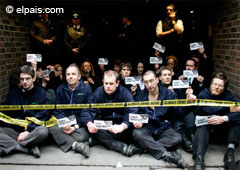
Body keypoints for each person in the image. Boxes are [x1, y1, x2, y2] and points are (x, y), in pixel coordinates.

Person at [133, 70, 188, 168]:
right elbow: (136, 112)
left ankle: (146, 148)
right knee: (136, 133)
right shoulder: (140, 95)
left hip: (164, 127)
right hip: (147, 127)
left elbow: (179, 112)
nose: (149, 84)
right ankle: (165, 154)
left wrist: (188, 102)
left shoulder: (169, 94)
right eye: (146, 82)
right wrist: (139, 121)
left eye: (151, 81)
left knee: (177, 138)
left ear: (157, 80)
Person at [82, 70, 142, 156]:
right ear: (103, 82)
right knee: (93, 126)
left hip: (121, 125)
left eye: (111, 83)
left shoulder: (124, 92)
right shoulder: (99, 92)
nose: (108, 86)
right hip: (105, 125)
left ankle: (100, 141)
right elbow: (88, 109)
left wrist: (123, 125)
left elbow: (132, 109)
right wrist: (89, 124)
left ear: (117, 83)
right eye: (106, 83)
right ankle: (118, 146)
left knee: (136, 131)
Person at [193, 72, 240, 170]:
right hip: (206, 133)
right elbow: (208, 109)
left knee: (235, 122)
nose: (216, 87)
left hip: (223, 132)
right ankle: (199, 158)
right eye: (214, 84)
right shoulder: (203, 94)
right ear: (210, 84)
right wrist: (228, 109)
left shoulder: (229, 96)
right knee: (203, 126)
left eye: (220, 85)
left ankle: (230, 153)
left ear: (224, 88)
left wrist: (224, 118)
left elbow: (238, 111)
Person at [0, 65, 49, 158]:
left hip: (33, 131)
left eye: (27, 79)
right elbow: (6, 111)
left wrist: (28, 131)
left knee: (43, 131)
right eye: (22, 79)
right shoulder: (14, 94)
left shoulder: (41, 93)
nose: (25, 82)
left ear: (34, 78)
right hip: (15, 130)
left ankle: (11, 146)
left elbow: (43, 114)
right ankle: (26, 147)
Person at [49, 63, 92, 158]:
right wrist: (64, 123)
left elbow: (88, 110)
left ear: (79, 76)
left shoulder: (86, 89)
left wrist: (76, 126)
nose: (70, 77)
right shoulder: (61, 89)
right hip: (65, 122)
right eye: (68, 74)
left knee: (82, 135)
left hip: (79, 124)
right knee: (52, 128)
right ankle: (76, 145)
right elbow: (57, 109)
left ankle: (64, 140)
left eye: (73, 74)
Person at [158, 66, 195, 153]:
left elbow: (182, 107)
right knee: (176, 119)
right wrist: (168, 95)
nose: (167, 77)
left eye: (169, 75)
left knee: (190, 114)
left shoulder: (177, 87)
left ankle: (193, 137)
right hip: (166, 115)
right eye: (164, 75)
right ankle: (185, 139)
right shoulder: (157, 89)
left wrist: (187, 98)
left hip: (178, 111)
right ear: (159, 78)